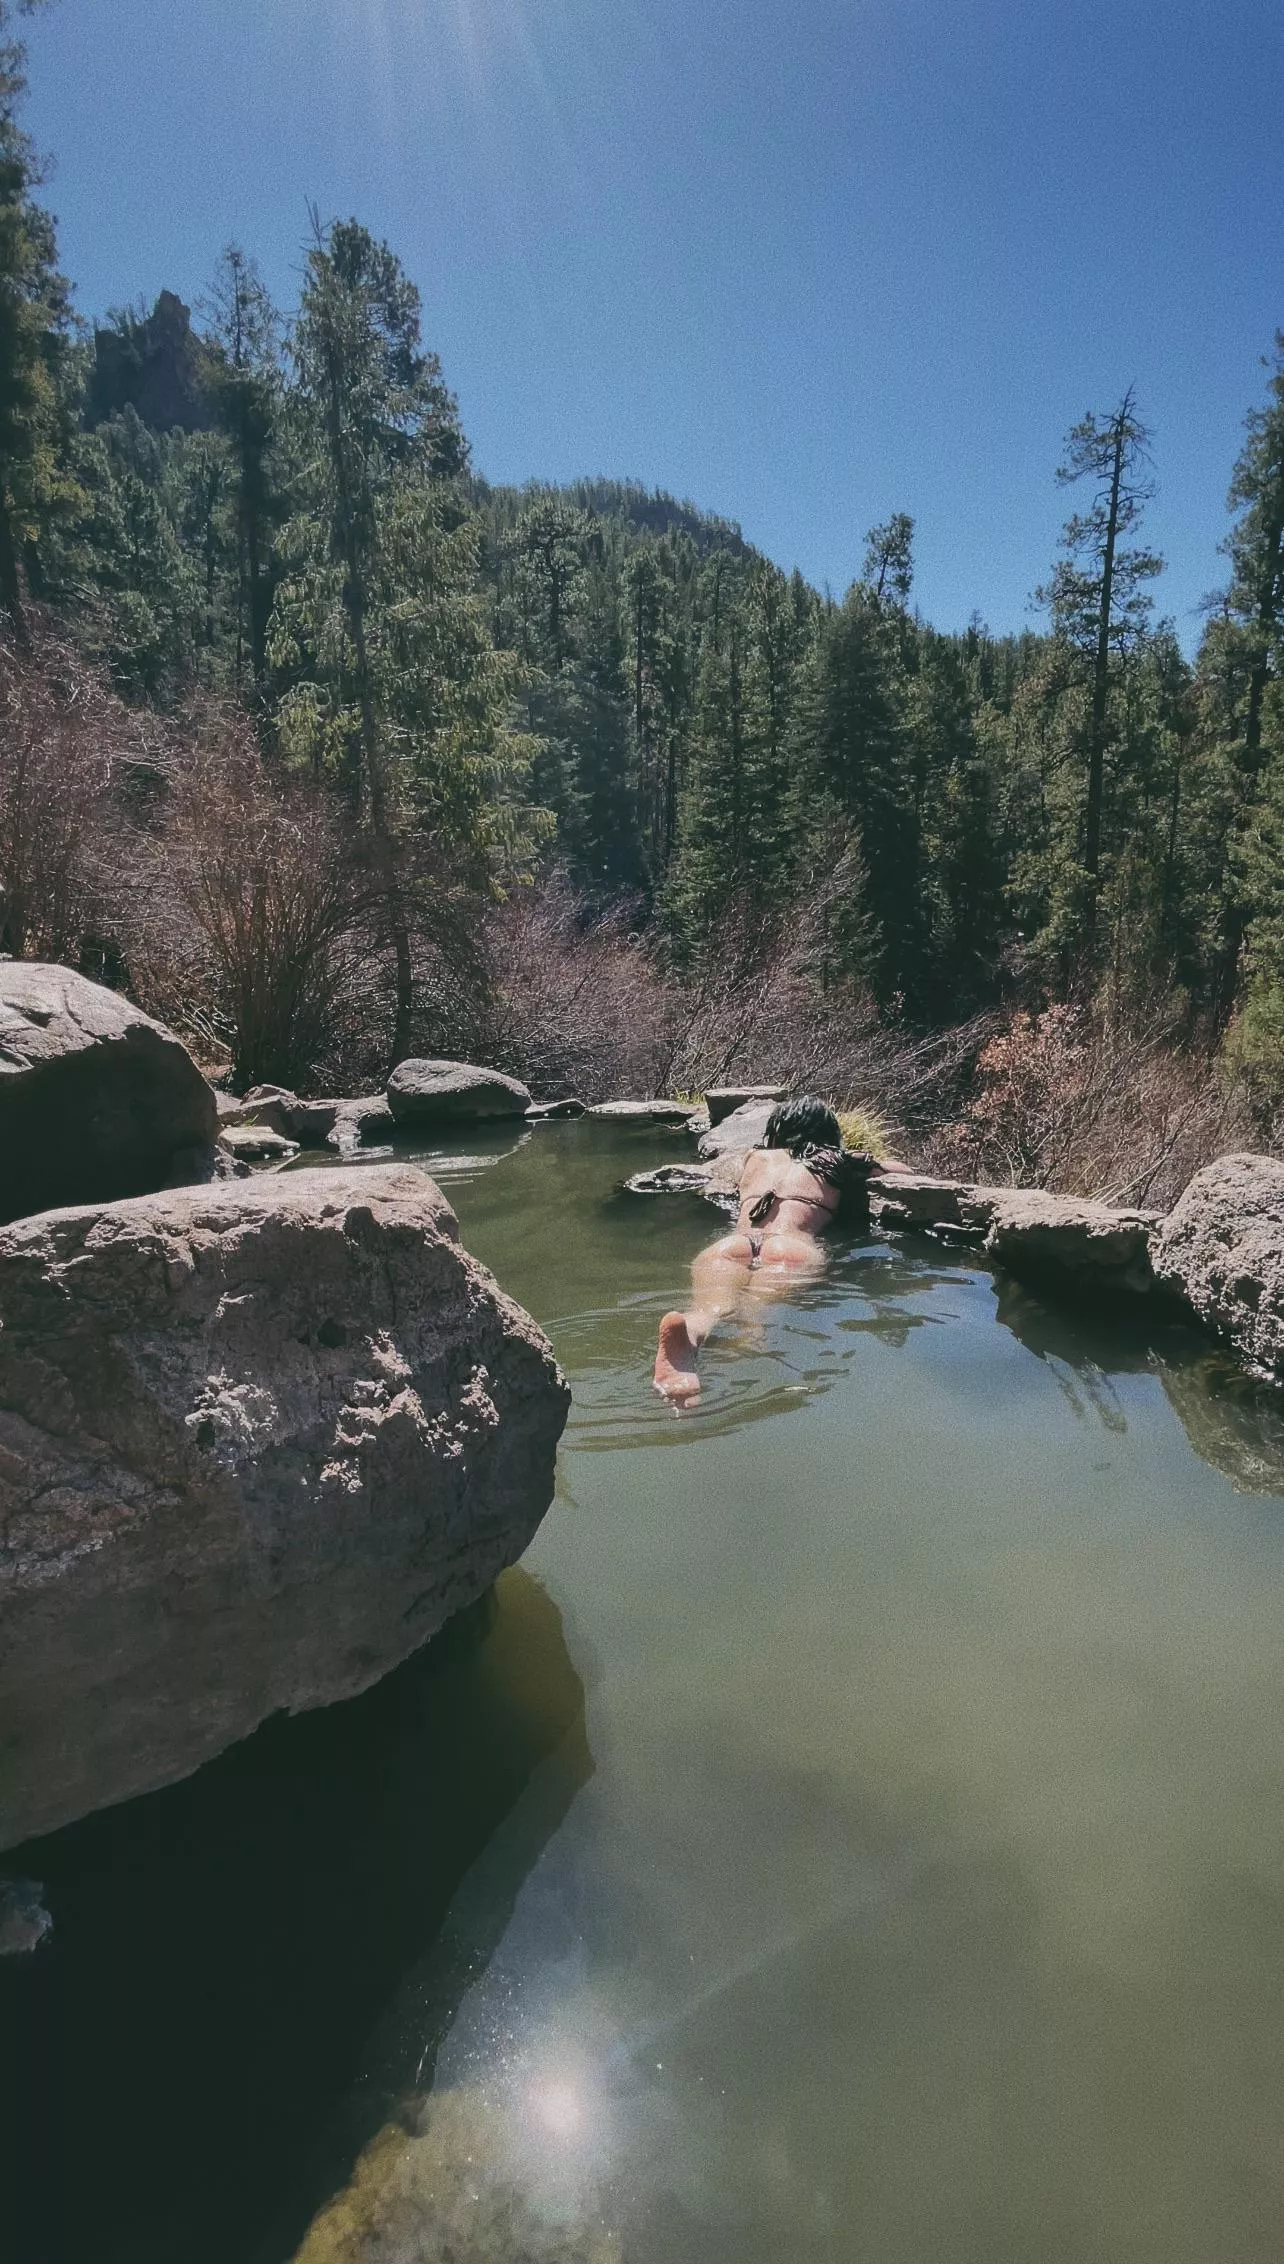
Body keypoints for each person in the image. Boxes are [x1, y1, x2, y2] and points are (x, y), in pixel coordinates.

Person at [653, 1096, 871, 1403]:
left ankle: (689, 1332)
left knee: (709, 1309)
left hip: (733, 1245)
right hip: (790, 1248)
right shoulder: (836, 1159)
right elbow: (898, 1171)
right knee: (755, 1318)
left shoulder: (755, 1157)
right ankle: (745, 1341)